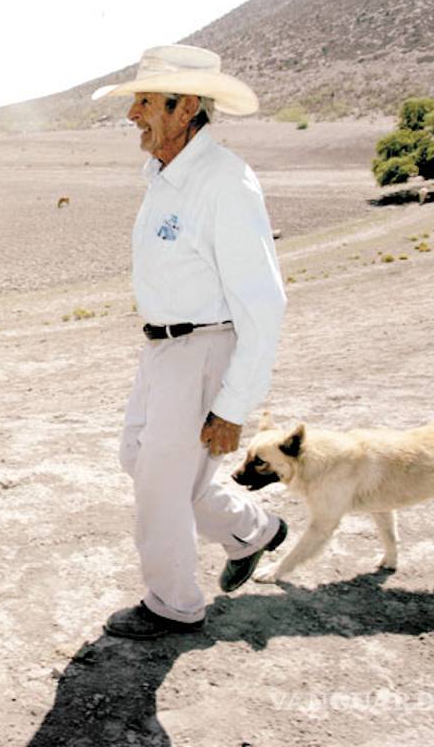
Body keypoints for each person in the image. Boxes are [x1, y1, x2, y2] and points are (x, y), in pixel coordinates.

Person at [92, 45, 289, 639]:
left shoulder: (224, 182)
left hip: (202, 348)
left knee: (161, 480)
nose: (133, 115)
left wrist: (233, 406)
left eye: (145, 102)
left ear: (186, 109)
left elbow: (263, 302)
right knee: (141, 460)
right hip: (162, 349)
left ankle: (172, 604)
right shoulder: (165, 175)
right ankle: (252, 530)